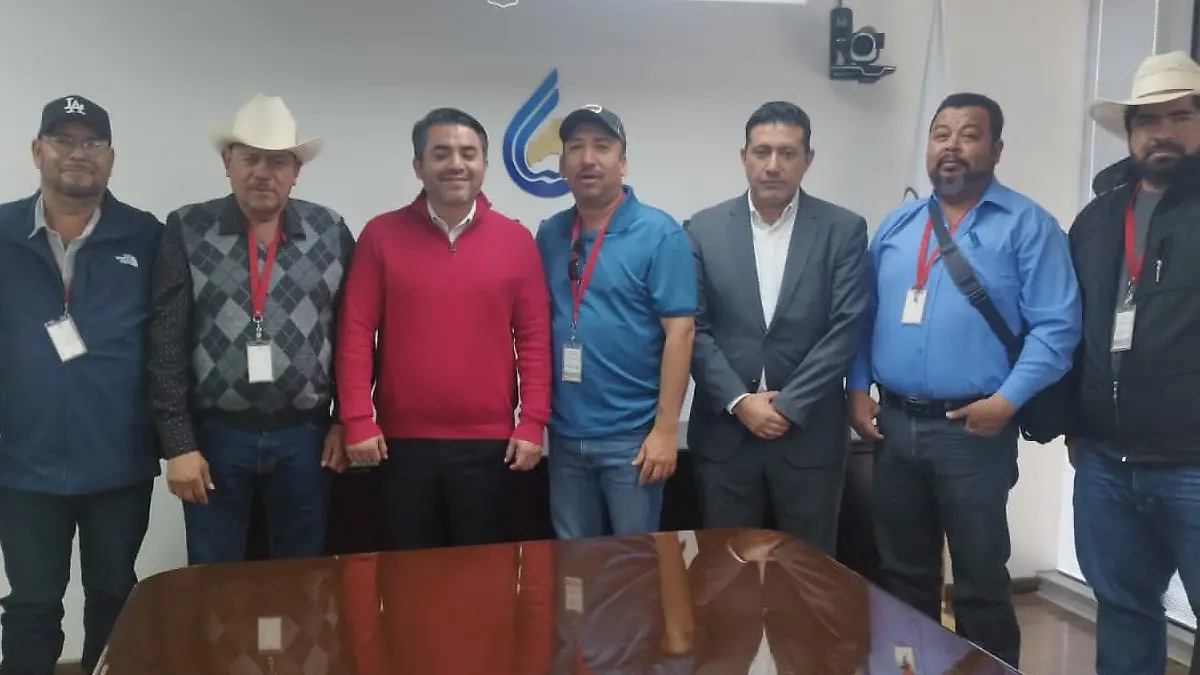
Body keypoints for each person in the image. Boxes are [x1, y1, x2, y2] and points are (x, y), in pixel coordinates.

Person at [846, 92, 1082, 668]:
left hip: (975, 429)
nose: (952, 146)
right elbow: (863, 316)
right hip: (894, 426)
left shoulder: (1027, 225)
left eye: (969, 134)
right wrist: (856, 387)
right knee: (902, 576)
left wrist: (1007, 400)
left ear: (996, 149)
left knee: (979, 580)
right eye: (941, 134)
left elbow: (1057, 328)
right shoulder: (898, 225)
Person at [148, 94, 353, 564]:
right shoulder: (187, 228)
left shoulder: (330, 231)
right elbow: (165, 343)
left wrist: (346, 420)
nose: (263, 172)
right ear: (228, 162)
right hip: (217, 437)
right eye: (250, 159)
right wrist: (179, 444)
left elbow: (352, 334)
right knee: (213, 574)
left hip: (306, 436)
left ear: (296, 170)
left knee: (303, 575)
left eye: (278, 161)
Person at [336, 107, 551, 550]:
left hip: (490, 445)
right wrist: (356, 418)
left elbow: (533, 340)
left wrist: (532, 422)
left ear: (484, 165)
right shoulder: (380, 235)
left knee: (483, 575)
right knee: (404, 575)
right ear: (418, 166)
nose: (456, 163)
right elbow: (355, 331)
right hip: (399, 445)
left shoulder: (516, 241)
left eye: (468, 153)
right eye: (441, 153)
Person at [0, 95, 161, 675]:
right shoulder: (0, 231)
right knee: (31, 606)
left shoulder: (146, 236)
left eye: (92, 142)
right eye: (63, 140)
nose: (78, 153)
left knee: (115, 599)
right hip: (25, 465)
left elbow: (168, 345)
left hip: (119, 462)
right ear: (36, 150)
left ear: (111, 157)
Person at [1067, 51, 1200, 675]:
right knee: (1122, 611)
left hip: (1192, 464)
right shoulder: (1097, 219)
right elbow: (1073, 330)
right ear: (1128, 132)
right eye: (1148, 119)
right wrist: (1073, 425)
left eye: (1181, 116)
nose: (1163, 132)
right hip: (1104, 463)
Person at [686, 101, 869, 554]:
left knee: (808, 574)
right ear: (743, 156)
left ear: (808, 159)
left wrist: (789, 405)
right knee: (725, 575)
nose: (773, 165)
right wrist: (739, 401)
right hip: (726, 435)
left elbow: (846, 327)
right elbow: (694, 328)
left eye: (787, 153)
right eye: (762, 151)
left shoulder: (842, 229)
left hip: (809, 436)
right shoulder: (702, 229)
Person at [535, 104, 697, 539]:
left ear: (622, 162)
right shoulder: (550, 234)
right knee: (573, 565)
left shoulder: (660, 234)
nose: (588, 159)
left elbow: (681, 334)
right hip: (564, 435)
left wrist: (665, 431)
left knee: (635, 563)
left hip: (633, 439)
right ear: (562, 165)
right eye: (576, 147)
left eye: (602, 147)